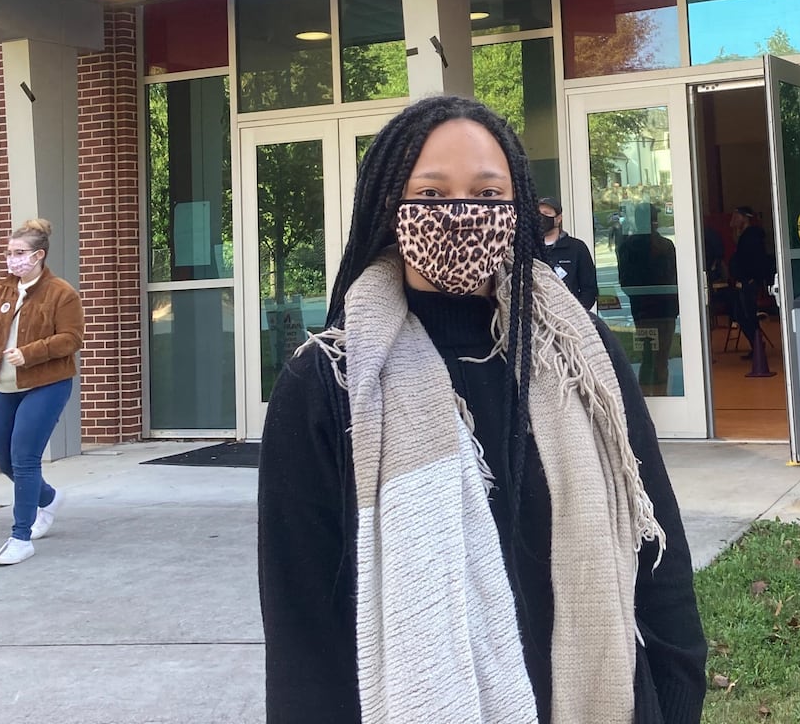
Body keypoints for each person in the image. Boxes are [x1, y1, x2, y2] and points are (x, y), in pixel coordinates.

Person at [258, 96, 706, 724]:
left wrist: (680, 691)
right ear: (389, 205)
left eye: (488, 196)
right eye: (433, 196)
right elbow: (303, 620)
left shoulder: (580, 354)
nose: (462, 215)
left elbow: (656, 540)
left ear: (517, 208)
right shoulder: (328, 382)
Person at [0, 218, 84, 567]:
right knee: (5, 460)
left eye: (19, 253)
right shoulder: (2, 291)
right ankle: (48, 499)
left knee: (24, 459)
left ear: (39, 255)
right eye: (9, 252)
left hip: (46, 384)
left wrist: (30, 352)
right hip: (4, 386)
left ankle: (21, 536)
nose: (12, 259)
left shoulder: (61, 293)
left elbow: (72, 339)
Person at [615, 204, 680, 390]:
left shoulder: (628, 245)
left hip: (643, 307)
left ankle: (647, 399)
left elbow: (625, 280)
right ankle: (660, 395)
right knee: (661, 357)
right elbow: (672, 277)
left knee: (648, 355)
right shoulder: (665, 245)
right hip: (663, 308)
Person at [728, 206, 774, 360]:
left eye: (737, 216)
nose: (733, 220)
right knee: (742, 315)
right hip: (744, 280)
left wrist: (752, 277)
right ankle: (756, 345)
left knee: (746, 315)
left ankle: (757, 346)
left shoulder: (752, 236)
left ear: (745, 217)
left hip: (748, 280)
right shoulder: (744, 235)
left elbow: (754, 259)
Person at [538, 195, 598, 311]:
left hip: (570, 319)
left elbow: (589, 289)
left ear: (559, 218)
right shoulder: (527, 248)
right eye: (538, 213)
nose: (541, 217)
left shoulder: (576, 248)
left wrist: (577, 314)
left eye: (547, 213)